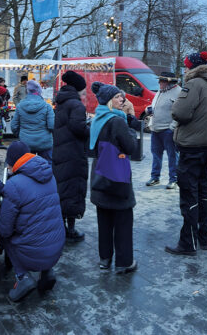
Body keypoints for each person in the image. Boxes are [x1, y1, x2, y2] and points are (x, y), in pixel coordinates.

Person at [165, 51, 207, 256]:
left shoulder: (194, 84)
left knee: (189, 196)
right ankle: (204, 236)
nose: (184, 69)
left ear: (192, 67)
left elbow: (179, 112)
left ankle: (188, 242)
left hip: (192, 147)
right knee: (203, 193)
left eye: (186, 65)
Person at [0, 141, 65, 302]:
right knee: (42, 225)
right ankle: (47, 272)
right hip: (56, 247)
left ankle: (22, 278)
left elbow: (5, 229)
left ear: (13, 162)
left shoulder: (14, 184)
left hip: (32, 253)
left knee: (5, 236)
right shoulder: (49, 174)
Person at [89, 82, 140, 274]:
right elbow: (130, 148)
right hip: (117, 178)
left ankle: (105, 259)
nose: (123, 99)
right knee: (123, 221)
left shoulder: (97, 118)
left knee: (104, 220)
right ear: (110, 100)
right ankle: (124, 262)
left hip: (99, 176)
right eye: (119, 97)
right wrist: (132, 129)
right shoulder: (117, 121)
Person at [53, 71, 89, 242]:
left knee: (62, 189)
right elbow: (78, 128)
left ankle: (61, 227)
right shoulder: (76, 105)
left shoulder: (62, 102)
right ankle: (71, 230)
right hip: (73, 153)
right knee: (73, 189)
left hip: (61, 151)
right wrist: (91, 128)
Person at [146, 71, 180, 189]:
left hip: (168, 130)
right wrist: (148, 109)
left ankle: (173, 179)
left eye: (162, 81)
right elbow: (156, 106)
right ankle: (155, 177)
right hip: (156, 129)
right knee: (156, 155)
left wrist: (172, 127)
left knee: (172, 156)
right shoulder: (160, 91)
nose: (159, 82)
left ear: (169, 82)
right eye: (160, 80)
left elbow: (180, 113)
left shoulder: (178, 92)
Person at [10, 80, 55, 161]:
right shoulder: (47, 106)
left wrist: (21, 135)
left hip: (26, 142)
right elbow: (52, 125)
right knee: (47, 166)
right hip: (44, 142)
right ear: (39, 92)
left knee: (27, 166)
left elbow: (14, 126)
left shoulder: (20, 106)